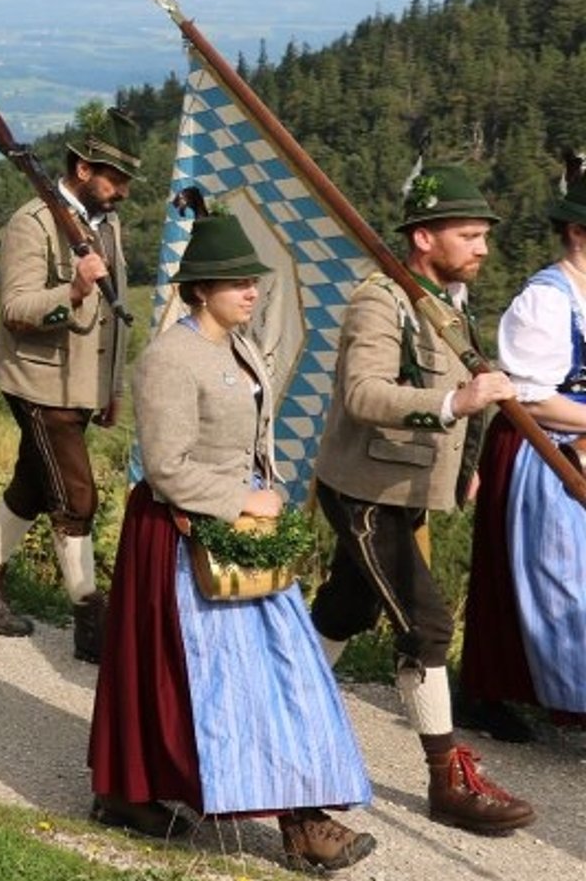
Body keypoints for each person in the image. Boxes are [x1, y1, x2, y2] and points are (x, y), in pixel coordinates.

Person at [88, 213, 376, 873]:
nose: (251, 291)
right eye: (237, 281)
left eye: (252, 280)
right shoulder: (169, 357)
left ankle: (304, 818)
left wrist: (263, 500)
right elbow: (164, 465)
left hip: (245, 533)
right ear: (200, 288)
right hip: (186, 534)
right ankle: (136, 790)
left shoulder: (240, 349)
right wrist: (241, 499)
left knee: (283, 670)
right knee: (218, 681)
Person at [309, 164, 535, 834]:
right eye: (468, 234)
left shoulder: (453, 302)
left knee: (343, 608)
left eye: (483, 235)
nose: (483, 248)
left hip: (408, 488)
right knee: (429, 624)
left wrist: (465, 459)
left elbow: (473, 379)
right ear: (423, 237)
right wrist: (453, 403)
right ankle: (447, 779)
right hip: (365, 489)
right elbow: (364, 394)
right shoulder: (382, 301)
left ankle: (273, 703)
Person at [0, 108, 138, 663]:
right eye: (115, 178)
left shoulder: (107, 224)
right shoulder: (32, 223)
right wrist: (74, 294)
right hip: (38, 382)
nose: (123, 191)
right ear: (82, 168)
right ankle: (90, 617)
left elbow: (115, 312)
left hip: (81, 384)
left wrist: (112, 387)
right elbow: (15, 309)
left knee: (32, 485)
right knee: (77, 496)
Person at [460, 177, 586, 738]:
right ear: (577, 233)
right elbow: (529, 395)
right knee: (558, 577)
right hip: (543, 452)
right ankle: (505, 692)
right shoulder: (546, 300)